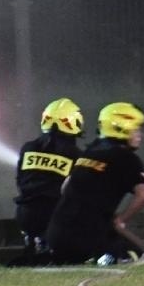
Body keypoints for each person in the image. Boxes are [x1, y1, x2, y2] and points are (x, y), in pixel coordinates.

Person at [44, 101, 144, 265]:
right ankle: (100, 258)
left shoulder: (90, 153)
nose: (140, 135)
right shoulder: (127, 158)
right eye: (136, 129)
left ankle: (84, 257)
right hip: (86, 240)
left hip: (55, 236)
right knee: (137, 254)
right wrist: (121, 220)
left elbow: (65, 187)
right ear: (121, 127)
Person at [11, 97, 84, 264]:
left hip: (24, 214)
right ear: (74, 121)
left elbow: (20, 181)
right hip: (55, 216)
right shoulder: (76, 155)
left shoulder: (28, 148)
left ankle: (36, 244)